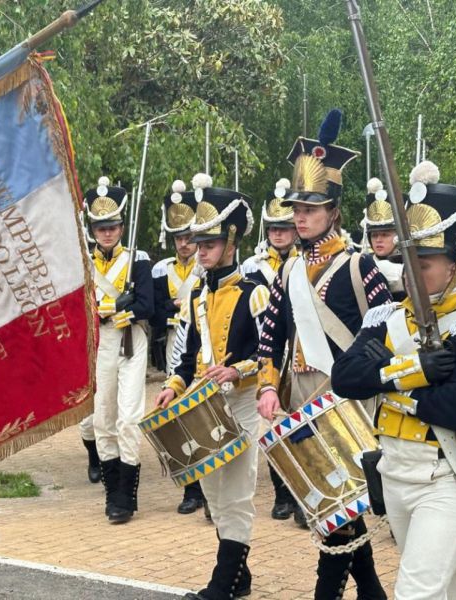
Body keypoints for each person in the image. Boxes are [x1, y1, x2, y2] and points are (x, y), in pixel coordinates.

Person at [332, 160, 456, 599]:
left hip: (446, 478)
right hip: (393, 472)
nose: (410, 274)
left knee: (415, 592)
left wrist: (385, 381)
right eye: (406, 262)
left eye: (423, 264)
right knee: (448, 588)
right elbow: (346, 378)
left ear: (455, 264)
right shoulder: (383, 316)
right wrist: (414, 372)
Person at [255, 110, 389, 600]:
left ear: (333, 210)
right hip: (302, 394)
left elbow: (385, 331)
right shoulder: (288, 269)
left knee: (342, 498)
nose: (299, 216)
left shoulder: (359, 265)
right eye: (296, 208)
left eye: (310, 208)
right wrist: (269, 385)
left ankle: (328, 590)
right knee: (330, 501)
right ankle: (369, 587)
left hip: (346, 397)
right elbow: (271, 332)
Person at [155, 173, 268, 599]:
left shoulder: (255, 292)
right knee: (212, 494)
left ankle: (221, 587)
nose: (200, 252)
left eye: (209, 244)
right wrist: (173, 384)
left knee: (236, 492)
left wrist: (238, 370)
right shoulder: (197, 295)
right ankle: (240, 578)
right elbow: (186, 354)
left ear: (232, 241)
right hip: (203, 404)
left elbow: (271, 352)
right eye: (197, 245)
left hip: (240, 402)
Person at [85, 176, 153, 523]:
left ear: (122, 226)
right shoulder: (84, 262)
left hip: (131, 341)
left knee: (129, 418)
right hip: (100, 343)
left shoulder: (137, 259)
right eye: (100, 227)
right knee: (102, 419)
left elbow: (147, 305)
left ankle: (127, 495)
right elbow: (80, 310)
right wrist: (112, 308)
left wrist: (122, 308)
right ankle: (112, 493)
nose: (107, 233)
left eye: (112, 226)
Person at [241, 181, 302, 523]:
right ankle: (281, 495)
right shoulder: (252, 267)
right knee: (271, 427)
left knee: (300, 424)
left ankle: (300, 493)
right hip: (265, 351)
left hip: (298, 349)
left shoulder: (305, 262)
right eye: (274, 228)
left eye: (285, 227)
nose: (279, 234)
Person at [151, 179, 206, 514]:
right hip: (175, 340)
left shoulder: (205, 266)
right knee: (178, 414)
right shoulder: (162, 269)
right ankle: (191, 488)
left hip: (203, 341)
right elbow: (156, 313)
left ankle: (209, 486)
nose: (184, 244)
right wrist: (171, 308)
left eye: (189, 237)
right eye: (179, 239)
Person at [362, 177, 405, 300]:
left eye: (385, 234)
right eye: (374, 235)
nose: (378, 240)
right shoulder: (364, 262)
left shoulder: (412, 263)